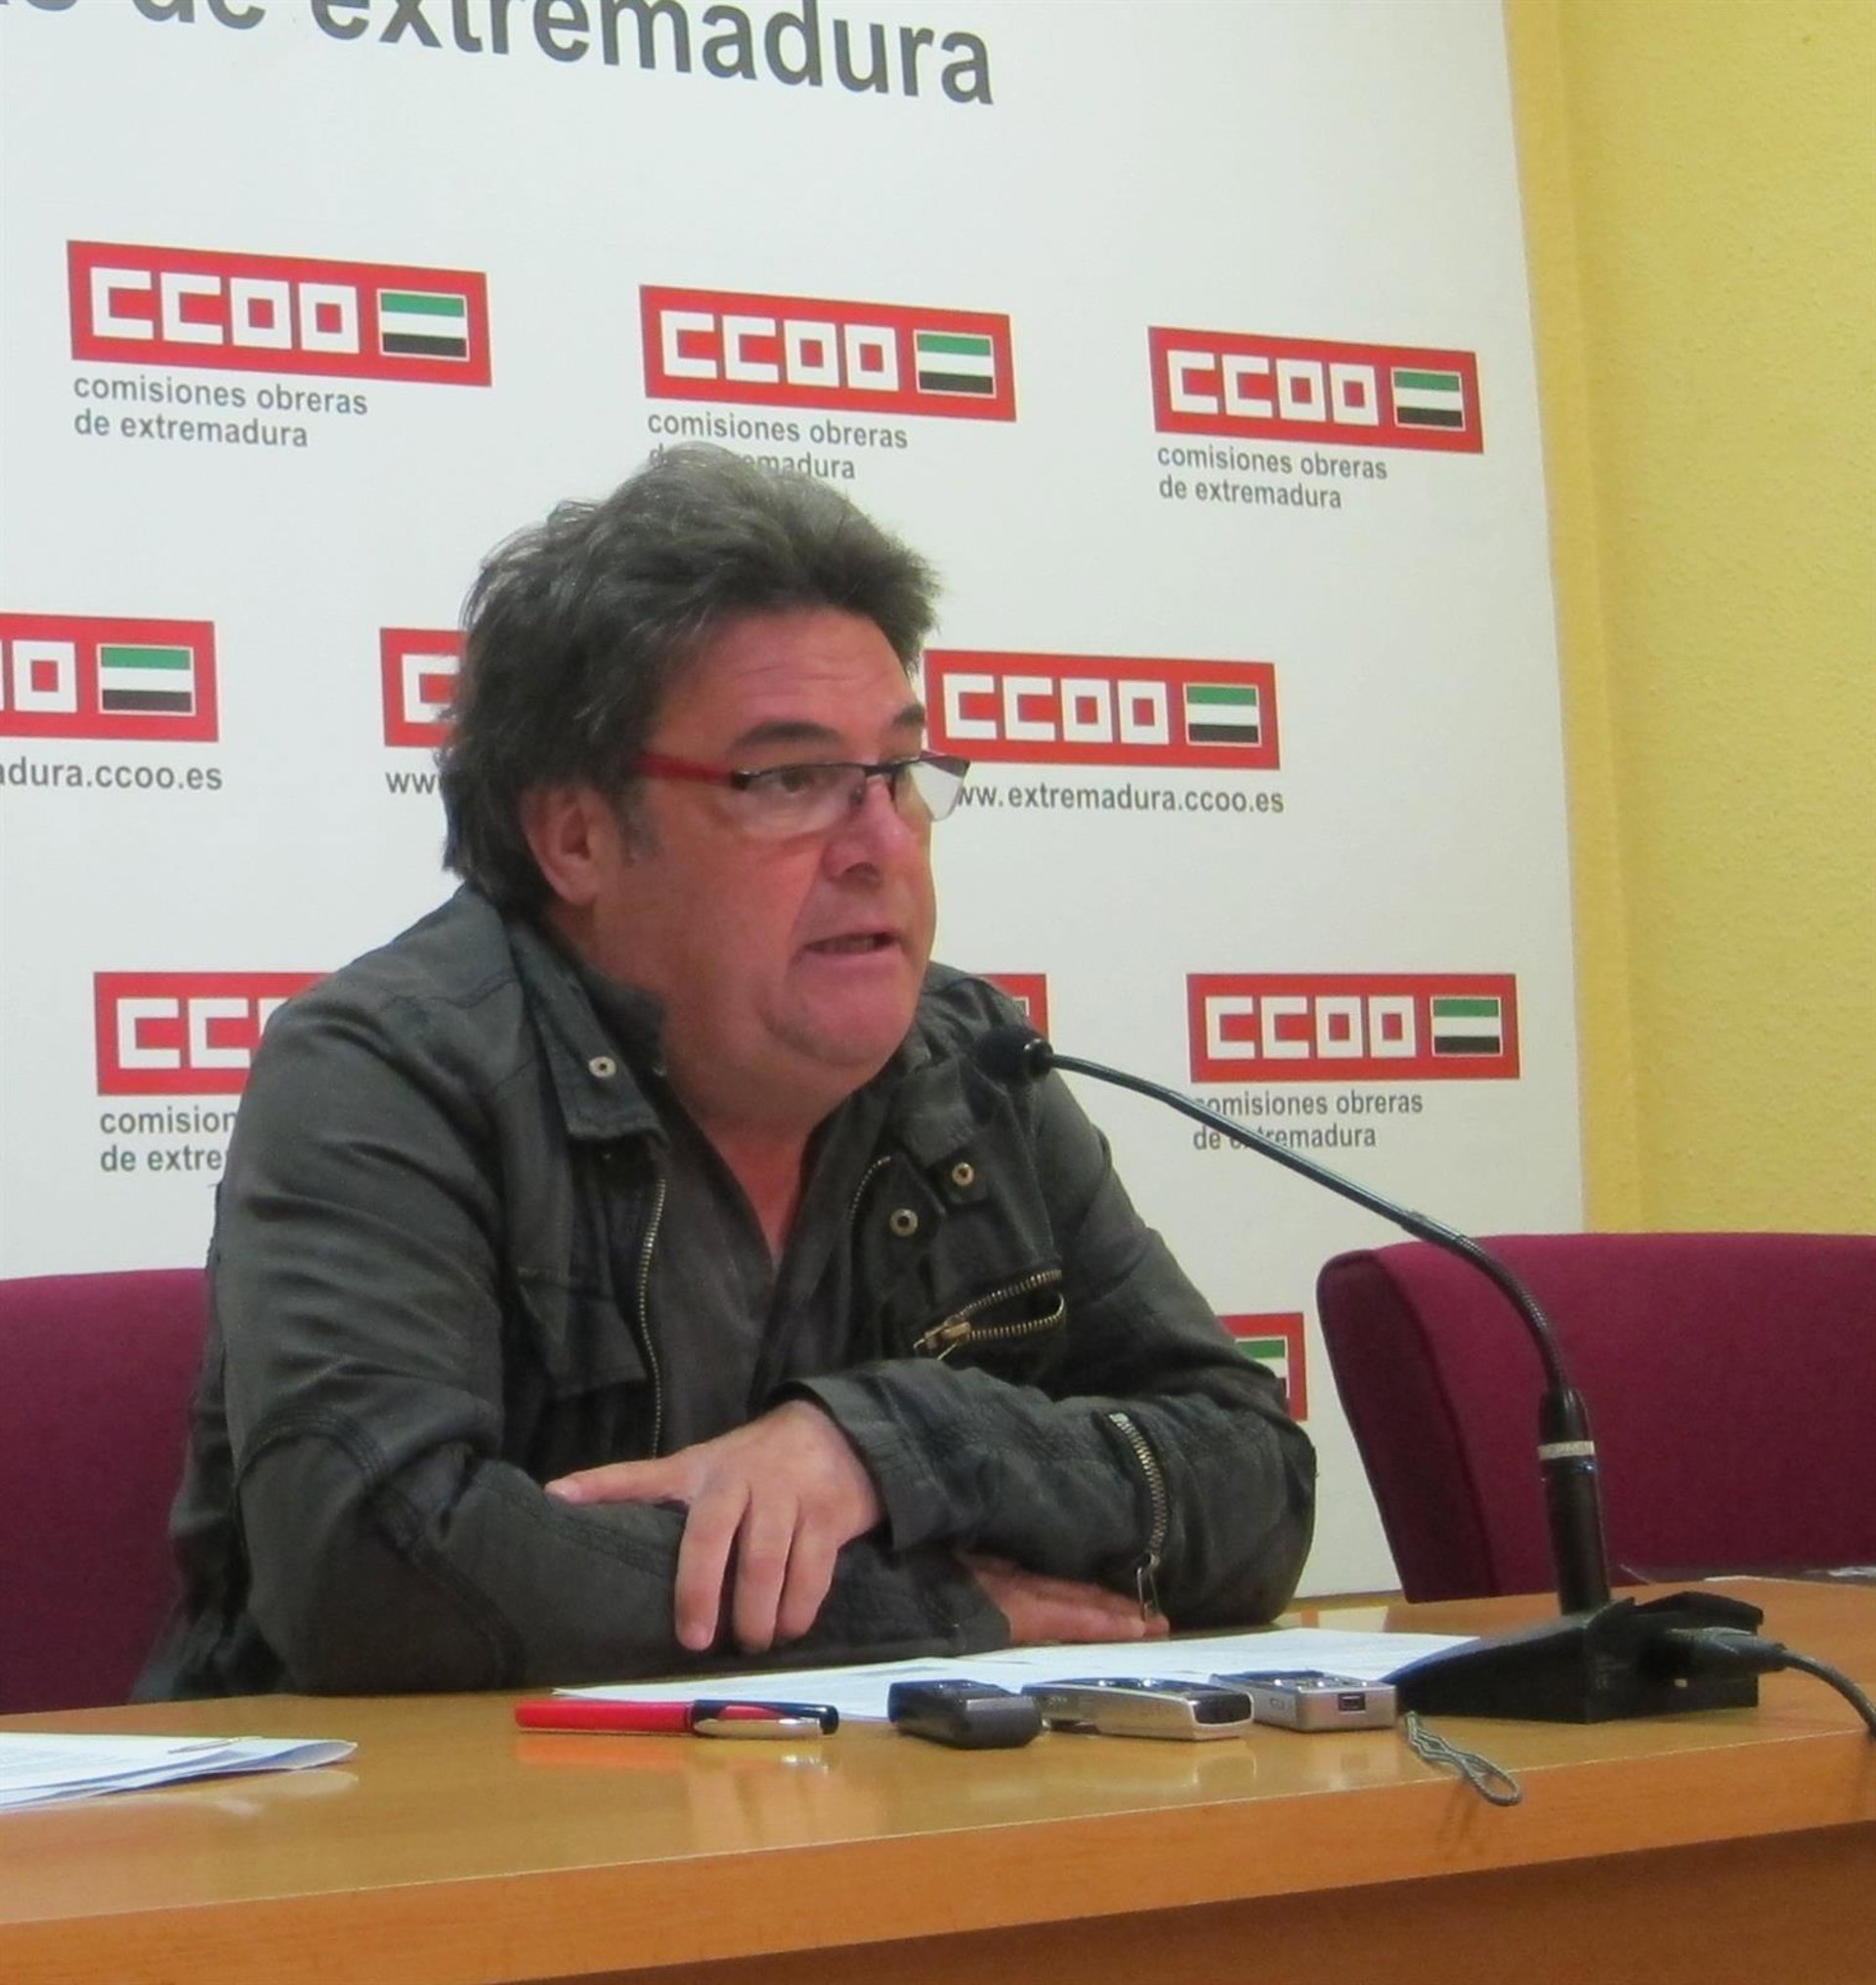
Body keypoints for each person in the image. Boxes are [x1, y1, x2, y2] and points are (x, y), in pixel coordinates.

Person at [142, 446, 1315, 1697]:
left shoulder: (971, 1065)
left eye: (900, 772)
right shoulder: (388, 1068)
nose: (881, 842)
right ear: (578, 836)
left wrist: (883, 1445)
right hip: (435, 1809)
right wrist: (934, 1606)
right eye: (791, 779)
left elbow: (1253, 1483)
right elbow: (376, 1573)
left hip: (883, 1801)